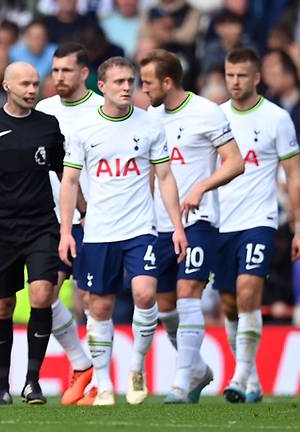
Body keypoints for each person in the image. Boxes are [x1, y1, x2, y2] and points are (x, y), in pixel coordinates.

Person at [59, 56, 187, 406]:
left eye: (131, 81)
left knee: (146, 294)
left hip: (141, 229)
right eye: (119, 82)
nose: (127, 87)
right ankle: (103, 384)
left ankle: (136, 368)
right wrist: (67, 231)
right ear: (101, 86)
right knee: (98, 307)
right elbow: (69, 181)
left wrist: (176, 226)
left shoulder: (149, 126)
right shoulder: (84, 130)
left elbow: (165, 177)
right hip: (99, 231)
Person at [138, 49, 244, 404]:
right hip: (158, 224)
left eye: (147, 82)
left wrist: (201, 186)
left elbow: (235, 162)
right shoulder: (151, 117)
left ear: (167, 82)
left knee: (188, 295)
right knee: (163, 303)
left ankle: (181, 383)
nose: (142, 88)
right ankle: (196, 366)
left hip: (199, 222)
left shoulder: (206, 112)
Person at [0, 62, 64, 405]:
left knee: (41, 294)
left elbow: (65, 173)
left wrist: (77, 215)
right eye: (25, 84)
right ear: (7, 85)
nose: (32, 89)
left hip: (41, 224)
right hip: (2, 228)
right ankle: (1, 386)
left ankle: (32, 382)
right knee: (3, 305)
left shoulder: (49, 127)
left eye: (36, 83)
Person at [218, 48, 300, 403]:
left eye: (242, 75)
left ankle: (239, 376)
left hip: (259, 220)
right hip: (220, 222)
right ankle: (252, 376)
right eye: (230, 75)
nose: (235, 82)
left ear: (257, 78)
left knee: (246, 293)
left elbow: (295, 176)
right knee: (228, 304)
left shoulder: (277, 118)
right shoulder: (216, 117)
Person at [35, 42, 103, 406]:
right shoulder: (44, 111)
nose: (58, 76)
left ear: (83, 74)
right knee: (43, 295)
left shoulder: (101, 110)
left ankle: (96, 383)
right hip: (52, 220)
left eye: (65, 70)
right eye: (54, 70)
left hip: (95, 221)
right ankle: (81, 362)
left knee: (92, 300)